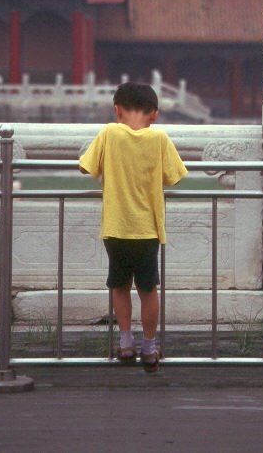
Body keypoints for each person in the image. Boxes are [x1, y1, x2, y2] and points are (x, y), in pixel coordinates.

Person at [79, 81, 187, 372]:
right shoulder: (160, 139)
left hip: (115, 228)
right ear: (154, 115)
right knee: (148, 289)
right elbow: (175, 176)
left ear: (117, 110)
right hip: (147, 230)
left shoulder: (109, 133)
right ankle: (149, 348)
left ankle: (126, 343)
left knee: (119, 286)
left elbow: (85, 166)